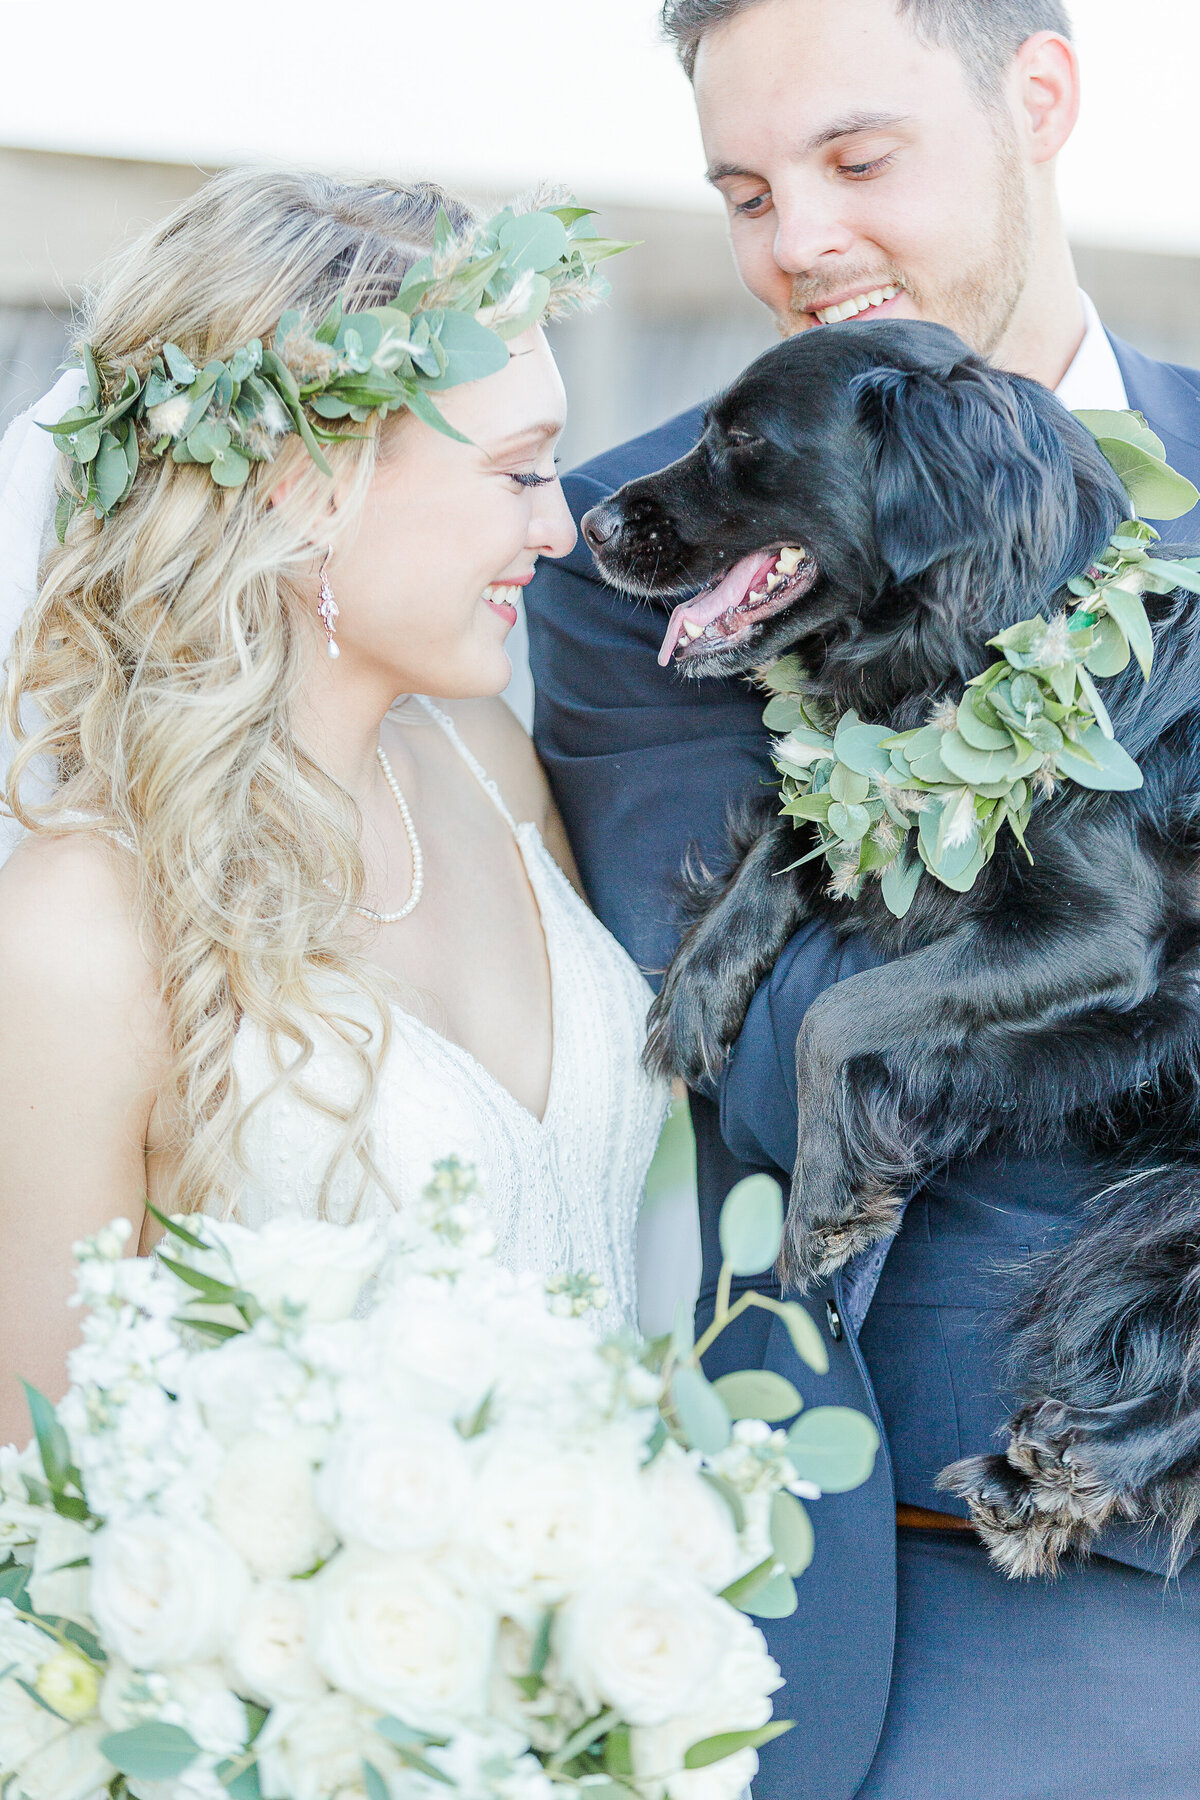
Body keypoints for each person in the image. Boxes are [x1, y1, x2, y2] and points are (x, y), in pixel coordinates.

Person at [524, 3, 1200, 1796]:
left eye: (857, 159)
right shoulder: (636, 555)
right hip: (997, 1577)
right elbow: (758, 1040)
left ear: (1039, 100)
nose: (797, 238)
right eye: (744, 190)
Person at [0, 168, 667, 1449]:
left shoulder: (487, 762)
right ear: (311, 486)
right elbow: (42, 1481)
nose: (562, 527)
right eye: (521, 471)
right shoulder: (84, 923)